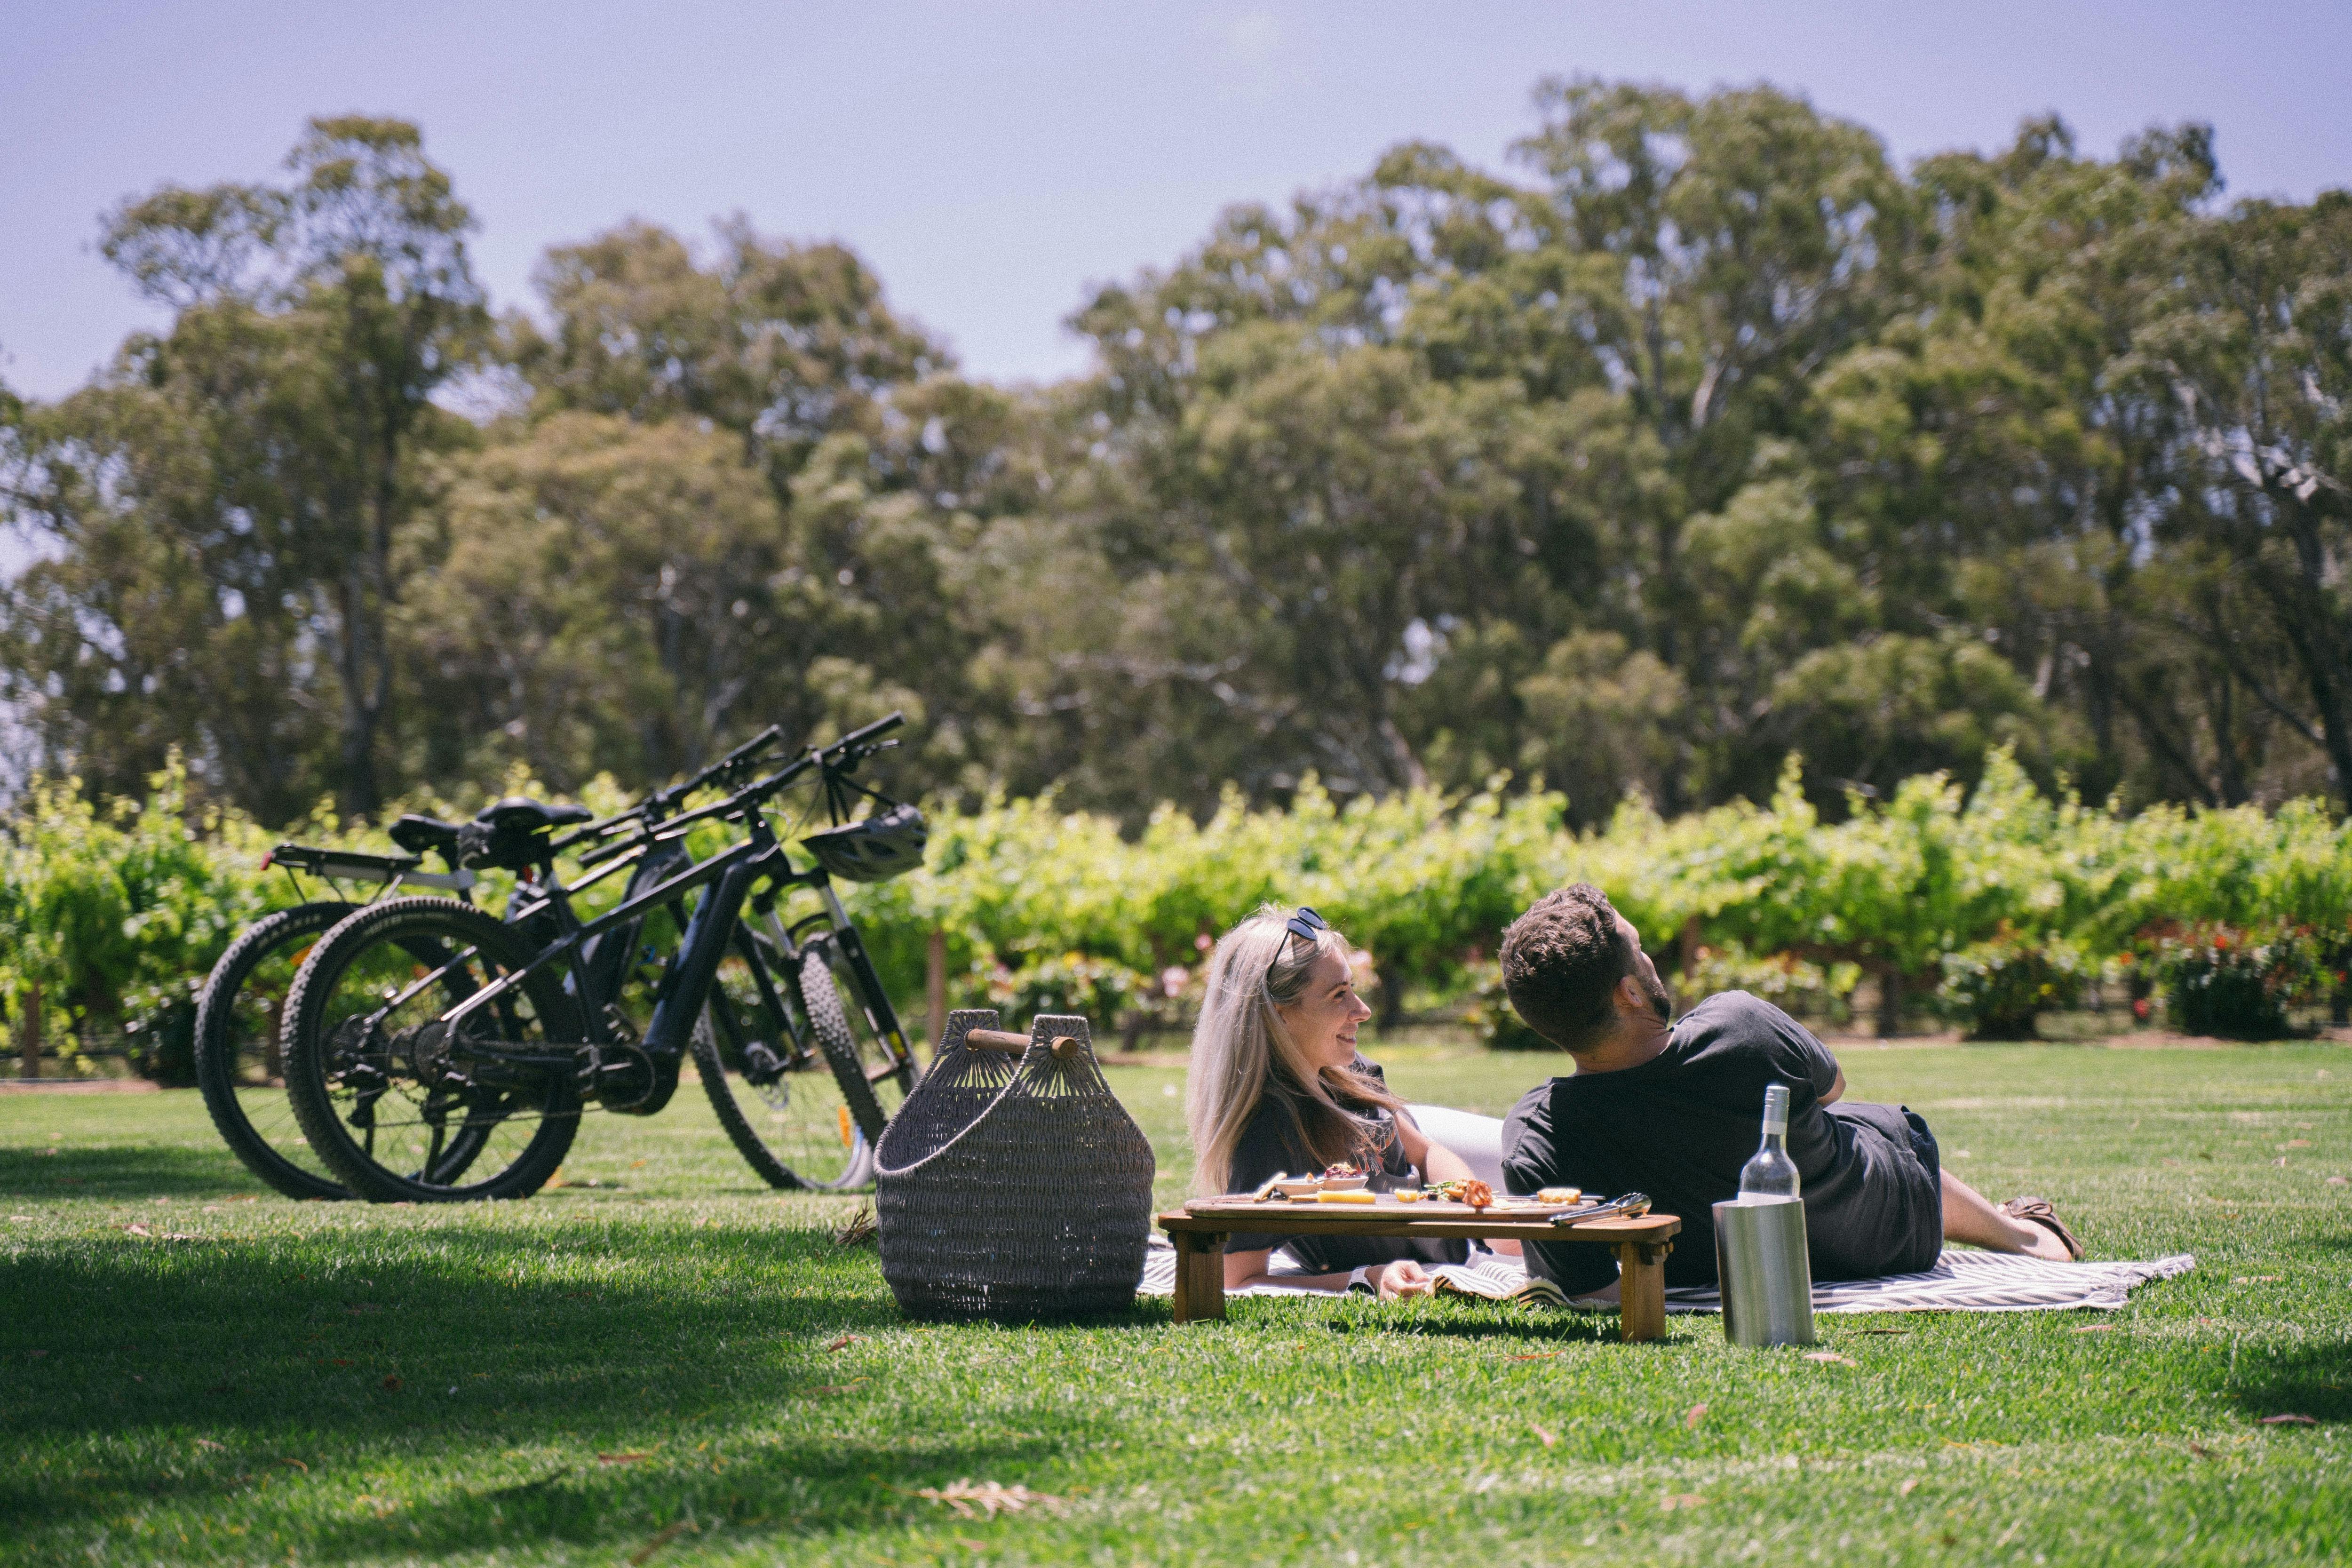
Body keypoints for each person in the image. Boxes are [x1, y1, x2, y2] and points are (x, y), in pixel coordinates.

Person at [1495, 883, 2082, 1302]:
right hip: (1879, 1232)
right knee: (1872, 1123)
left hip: (1711, 1267)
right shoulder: (1739, 1025)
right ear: (1628, 993)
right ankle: (2022, 1236)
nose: (1651, 960)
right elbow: (1832, 1088)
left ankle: (2013, 1226)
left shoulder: (1536, 1134)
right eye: (1640, 948)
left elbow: (1590, 1288)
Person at [1186, 905, 1499, 1299]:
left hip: (1449, 1165)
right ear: (1279, 1014)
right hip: (1444, 1244)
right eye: (1339, 995)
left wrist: (1480, 1210)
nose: (1363, 1010)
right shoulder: (1272, 1131)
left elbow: (1425, 1151)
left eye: (1353, 988)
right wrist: (1369, 1275)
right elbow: (1238, 1280)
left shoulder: (1347, 1072)